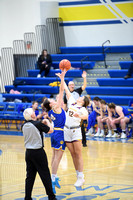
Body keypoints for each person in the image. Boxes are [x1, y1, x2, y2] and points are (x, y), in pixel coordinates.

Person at [22, 108, 57, 200]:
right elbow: (51, 130)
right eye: (33, 112)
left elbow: (36, 128)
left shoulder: (23, 126)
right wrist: (47, 121)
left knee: (29, 176)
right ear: (32, 115)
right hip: (38, 152)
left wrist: (42, 124)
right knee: (45, 174)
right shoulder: (38, 124)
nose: (35, 113)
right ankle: (51, 197)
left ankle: (27, 197)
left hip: (28, 153)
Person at [62, 75, 89, 187]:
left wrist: (80, 116)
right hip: (66, 130)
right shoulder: (72, 101)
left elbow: (86, 117)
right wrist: (62, 78)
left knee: (78, 154)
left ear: (83, 102)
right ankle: (78, 175)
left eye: (81, 98)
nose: (79, 97)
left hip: (76, 131)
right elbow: (67, 90)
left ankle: (81, 177)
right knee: (72, 154)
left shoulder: (82, 109)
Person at [43, 71, 66, 194]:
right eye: (51, 100)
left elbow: (60, 94)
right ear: (51, 104)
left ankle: (53, 177)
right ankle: (52, 179)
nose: (53, 99)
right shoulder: (56, 107)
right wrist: (62, 78)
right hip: (59, 133)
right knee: (58, 157)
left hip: (54, 133)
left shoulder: (52, 110)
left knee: (54, 156)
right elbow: (61, 91)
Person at [63, 71, 87, 147]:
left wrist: (84, 78)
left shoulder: (77, 91)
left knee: (81, 127)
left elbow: (84, 86)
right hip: (70, 110)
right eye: (71, 84)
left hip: (78, 111)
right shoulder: (66, 95)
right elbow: (64, 105)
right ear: (68, 85)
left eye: (73, 84)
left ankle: (83, 142)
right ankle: (68, 141)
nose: (72, 85)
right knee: (67, 126)